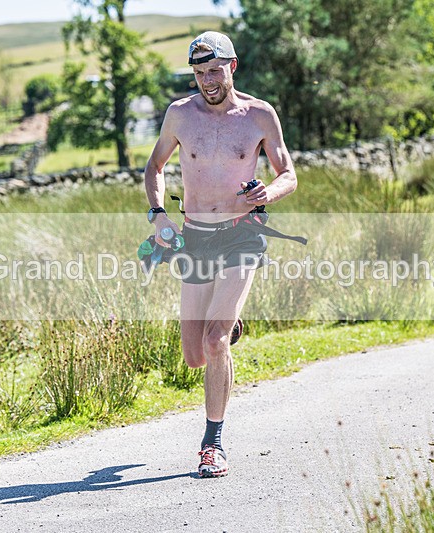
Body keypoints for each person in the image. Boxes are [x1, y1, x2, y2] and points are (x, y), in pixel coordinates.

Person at [143, 31, 298, 478]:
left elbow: (287, 171)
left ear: (232, 66)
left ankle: (213, 444)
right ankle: (227, 326)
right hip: (195, 236)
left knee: (213, 341)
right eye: (198, 73)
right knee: (194, 354)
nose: (206, 81)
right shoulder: (179, 115)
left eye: (213, 71)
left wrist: (269, 190)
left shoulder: (259, 116)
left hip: (241, 234)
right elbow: (154, 167)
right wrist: (159, 216)